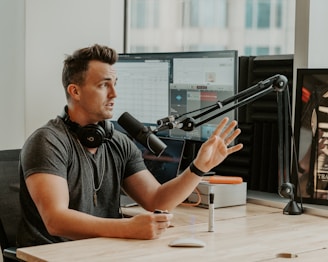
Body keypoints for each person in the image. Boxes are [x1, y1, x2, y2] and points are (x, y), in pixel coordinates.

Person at [17, 44, 243, 247]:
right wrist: (127, 228)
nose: (115, 93)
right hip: (52, 256)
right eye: (104, 85)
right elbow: (56, 221)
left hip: (101, 252)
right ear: (75, 91)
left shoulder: (117, 141)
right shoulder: (47, 141)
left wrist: (198, 168)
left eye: (115, 84)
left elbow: (157, 200)